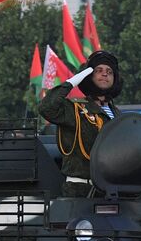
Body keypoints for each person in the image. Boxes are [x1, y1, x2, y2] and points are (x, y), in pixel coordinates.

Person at [38, 50, 122, 197]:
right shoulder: (76, 109)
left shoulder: (117, 114)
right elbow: (47, 108)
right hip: (80, 190)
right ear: (89, 76)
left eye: (109, 72)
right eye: (98, 70)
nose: (105, 74)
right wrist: (74, 80)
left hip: (111, 191)